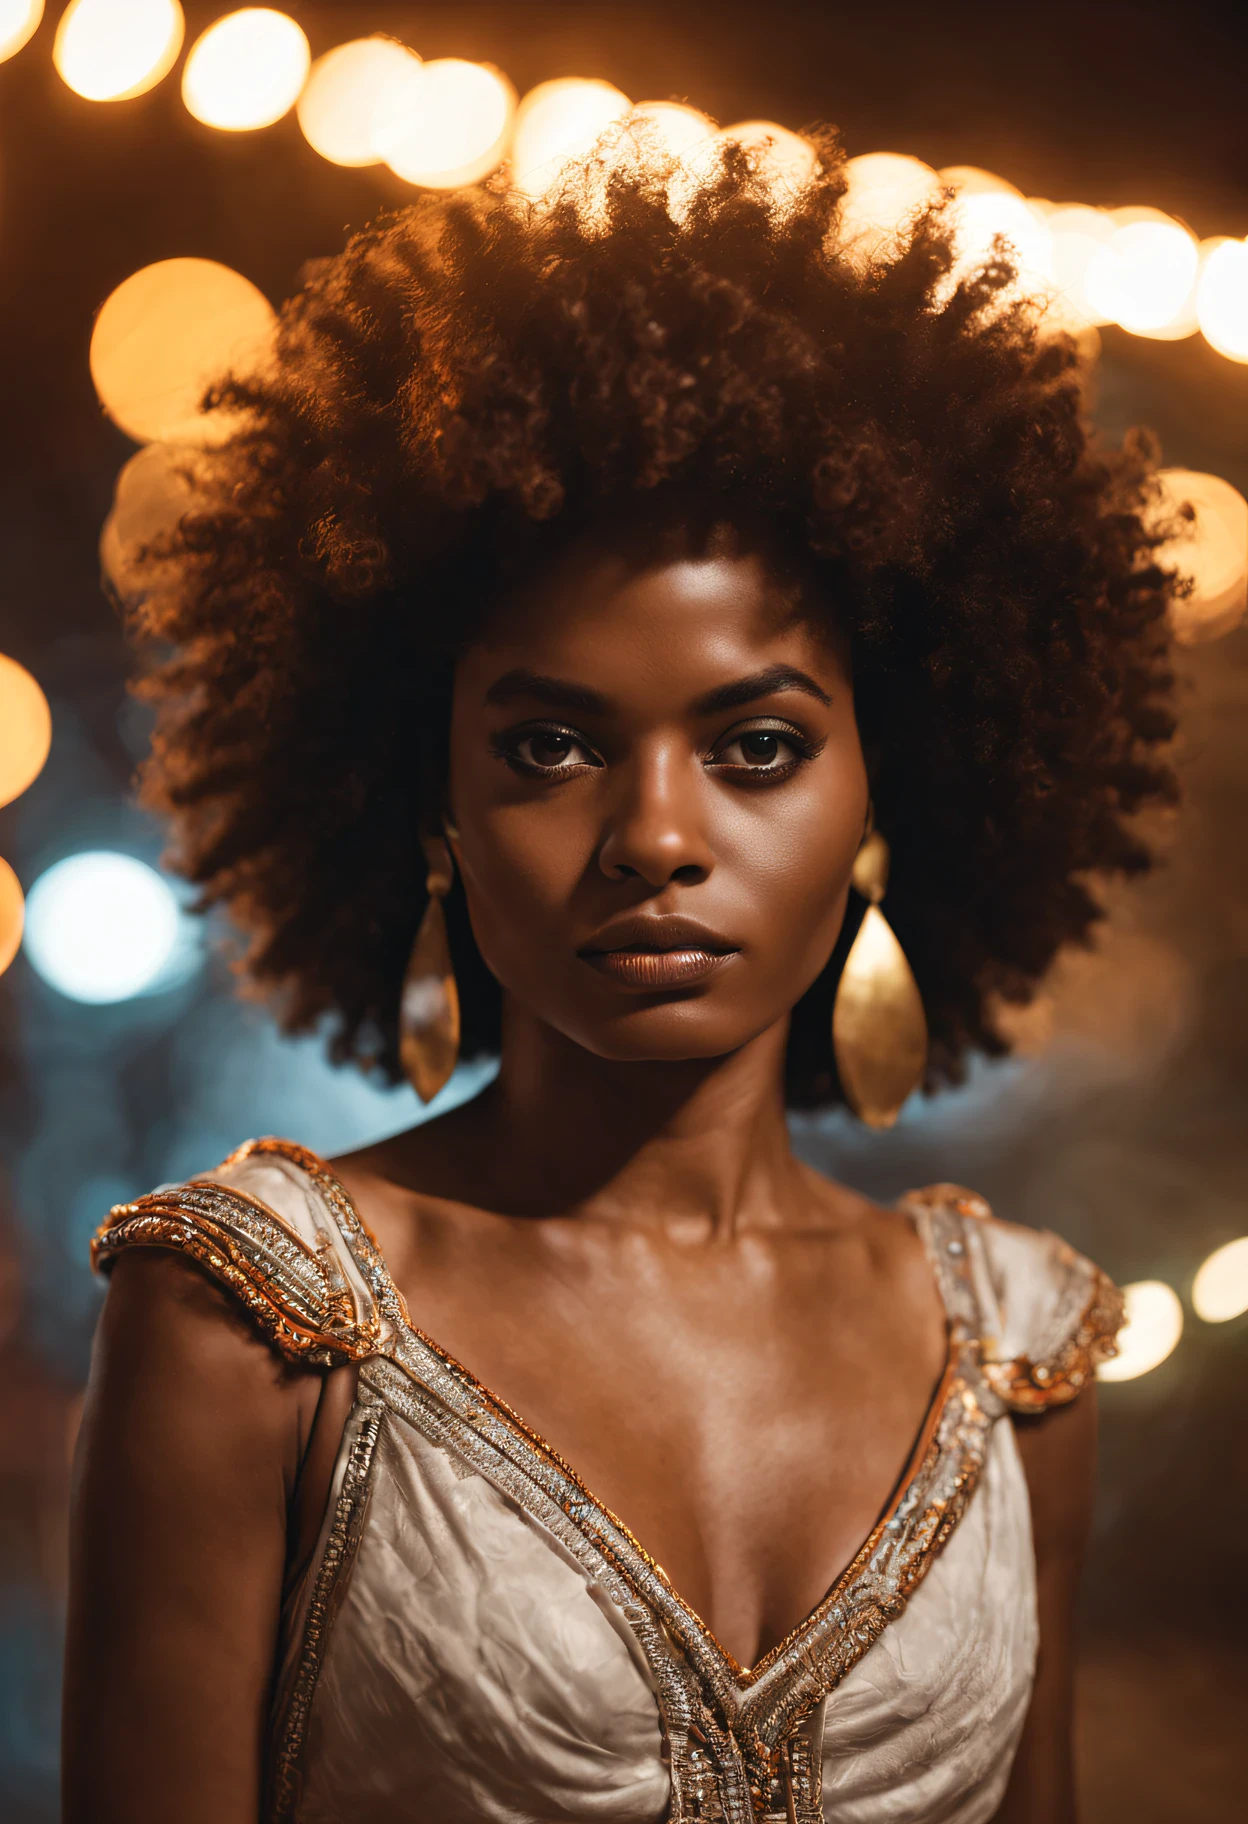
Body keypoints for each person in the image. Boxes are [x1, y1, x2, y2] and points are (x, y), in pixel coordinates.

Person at [63, 131, 1178, 1824]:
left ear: (893, 791)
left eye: (756, 744)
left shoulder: (1018, 1353)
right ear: (432, 805)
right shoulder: (255, 1325)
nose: (655, 834)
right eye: (555, 743)